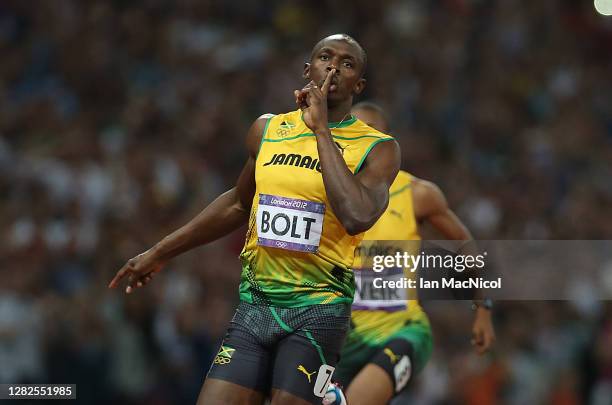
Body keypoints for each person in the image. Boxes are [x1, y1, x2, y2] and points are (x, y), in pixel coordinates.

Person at [108, 35, 400, 405]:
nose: (333, 67)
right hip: (256, 305)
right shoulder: (268, 130)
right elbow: (236, 204)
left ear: (358, 84)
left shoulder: (378, 148)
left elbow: (357, 216)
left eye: (347, 63)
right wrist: (160, 252)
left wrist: (322, 130)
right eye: (325, 57)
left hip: (319, 310)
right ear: (307, 69)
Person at [331, 102, 495, 405]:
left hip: (403, 332)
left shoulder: (416, 193)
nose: (360, 142)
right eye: (352, 133)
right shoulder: (326, 194)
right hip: (344, 341)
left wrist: (482, 307)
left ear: (386, 143)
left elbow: (464, 242)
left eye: (369, 133)